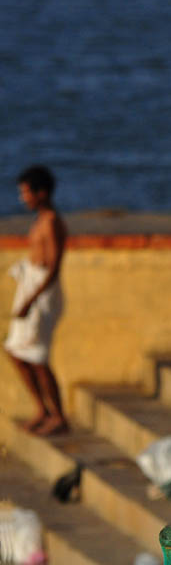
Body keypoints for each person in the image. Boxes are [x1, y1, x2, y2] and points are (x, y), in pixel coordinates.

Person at [6, 165, 68, 436]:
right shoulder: (41, 219)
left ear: (41, 193)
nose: (24, 198)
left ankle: (58, 415)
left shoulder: (53, 222)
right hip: (32, 288)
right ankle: (43, 409)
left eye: (27, 193)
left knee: (37, 356)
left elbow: (53, 267)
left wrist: (31, 299)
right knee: (16, 351)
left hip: (42, 294)